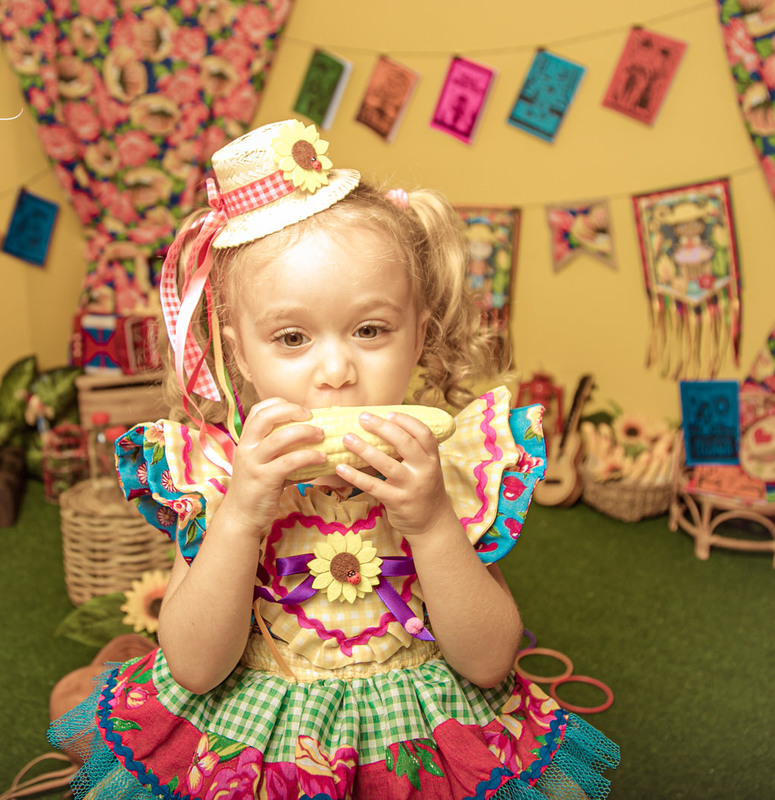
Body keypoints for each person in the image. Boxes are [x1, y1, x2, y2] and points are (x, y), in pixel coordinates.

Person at [50, 119, 620, 799]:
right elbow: (196, 667)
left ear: (420, 336)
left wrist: (434, 522)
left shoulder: (452, 466)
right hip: (254, 740)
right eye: (291, 337)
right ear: (240, 354)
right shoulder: (215, 475)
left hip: (417, 743)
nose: (335, 371)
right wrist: (239, 519)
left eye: (371, 330)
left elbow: (491, 660)